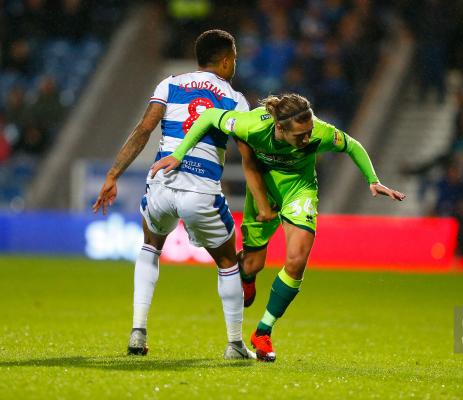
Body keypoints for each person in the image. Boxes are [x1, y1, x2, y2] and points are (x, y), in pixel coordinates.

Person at [151, 93, 406, 361]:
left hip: (300, 190)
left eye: (308, 132)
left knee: (296, 261)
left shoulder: (320, 132)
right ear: (279, 128)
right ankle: (247, 277)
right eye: (300, 135)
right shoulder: (252, 125)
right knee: (252, 265)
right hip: (264, 190)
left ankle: (263, 331)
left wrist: (372, 180)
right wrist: (179, 154)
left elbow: (352, 145)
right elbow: (209, 116)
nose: (307, 139)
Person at [92, 29, 266, 360]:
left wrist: (113, 174)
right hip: (201, 191)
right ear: (227, 61)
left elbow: (144, 130)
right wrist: (264, 201)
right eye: (236, 60)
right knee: (229, 262)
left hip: (161, 183)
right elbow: (249, 158)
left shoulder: (169, 83)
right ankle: (234, 344)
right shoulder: (235, 100)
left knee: (150, 247)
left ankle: (138, 331)